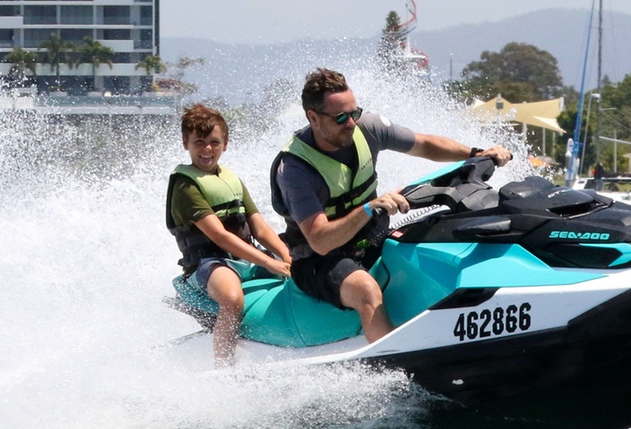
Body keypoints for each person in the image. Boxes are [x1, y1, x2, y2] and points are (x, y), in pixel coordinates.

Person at [270, 67, 512, 343]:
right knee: (366, 291)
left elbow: (425, 145)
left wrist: (477, 153)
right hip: (318, 262)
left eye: (354, 113)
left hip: (372, 241)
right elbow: (320, 241)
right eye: (340, 118)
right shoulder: (294, 170)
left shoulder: (368, 128)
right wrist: (369, 208)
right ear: (313, 117)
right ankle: (392, 372)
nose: (351, 122)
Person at [167, 104, 292, 367]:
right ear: (185, 143)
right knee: (233, 299)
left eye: (214, 142)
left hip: (245, 259)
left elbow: (260, 227)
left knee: (303, 269)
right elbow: (220, 236)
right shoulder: (185, 185)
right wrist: (269, 262)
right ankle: (224, 367)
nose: (207, 149)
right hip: (209, 264)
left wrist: (285, 255)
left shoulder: (231, 179)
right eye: (199, 142)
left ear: (226, 143)